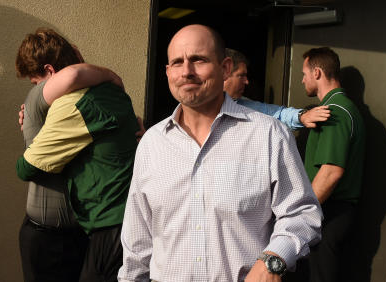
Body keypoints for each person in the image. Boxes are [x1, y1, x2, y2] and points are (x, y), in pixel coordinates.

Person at [118, 24, 322, 282]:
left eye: (198, 60)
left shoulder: (267, 135)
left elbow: (302, 212)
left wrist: (274, 259)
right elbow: (138, 239)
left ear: (225, 67)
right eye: (177, 63)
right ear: (168, 72)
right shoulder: (152, 144)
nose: (187, 72)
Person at [15, 28, 140, 282]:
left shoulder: (73, 102)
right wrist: (110, 74)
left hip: (94, 228)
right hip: (67, 229)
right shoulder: (109, 92)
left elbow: (26, 168)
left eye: (35, 82)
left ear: (50, 72)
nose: (35, 90)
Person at [301, 47, 365, 282]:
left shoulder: (334, 111)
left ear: (317, 73)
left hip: (329, 212)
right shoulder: (342, 108)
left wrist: (303, 214)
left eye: (305, 74)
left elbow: (331, 172)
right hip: (331, 212)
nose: (302, 80)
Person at [224, 48, 330, 130]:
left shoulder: (245, 105)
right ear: (225, 71)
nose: (247, 81)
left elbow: (278, 114)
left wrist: (302, 116)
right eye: (241, 75)